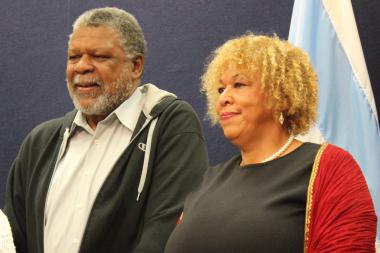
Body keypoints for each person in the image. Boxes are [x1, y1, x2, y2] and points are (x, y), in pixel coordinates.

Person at [4, 7, 208, 253]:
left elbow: (166, 235)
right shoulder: (40, 142)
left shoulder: (170, 126)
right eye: (73, 57)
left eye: (99, 56)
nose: (82, 67)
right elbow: (13, 240)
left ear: (136, 66)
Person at [164, 34, 377, 253]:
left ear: (282, 95)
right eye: (220, 89)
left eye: (239, 84)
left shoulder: (327, 166)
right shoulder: (209, 179)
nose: (223, 98)